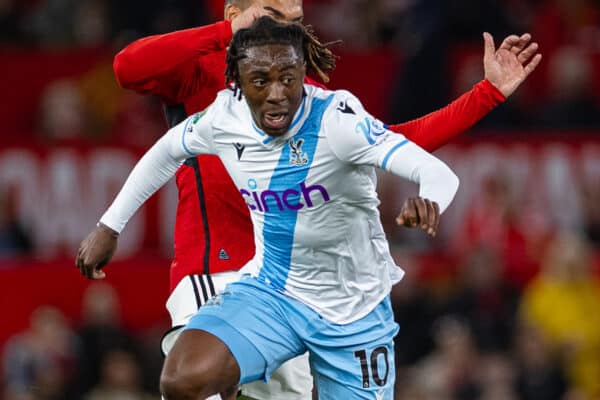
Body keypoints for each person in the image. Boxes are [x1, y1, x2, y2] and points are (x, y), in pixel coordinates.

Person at [77, 0, 541, 398]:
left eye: (296, 19)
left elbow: (398, 144)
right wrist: (109, 224)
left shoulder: (321, 105)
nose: (289, 28)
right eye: (274, 15)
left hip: (334, 293)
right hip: (221, 272)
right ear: (237, 17)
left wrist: (486, 96)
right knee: (187, 381)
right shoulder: (211, 87)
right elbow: (128, 71)